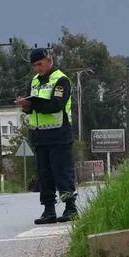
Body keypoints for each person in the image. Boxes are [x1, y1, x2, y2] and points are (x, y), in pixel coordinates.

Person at [15, 47, 78, 224]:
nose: (37, 68)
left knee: (62, 173)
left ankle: (70, 208)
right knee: (45, 175)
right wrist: (26, 106)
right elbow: (31, 109)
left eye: (40, 64)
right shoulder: (33, 82)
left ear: (49, 60)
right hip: (39, 136)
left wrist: (33, 105)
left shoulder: (61, 80)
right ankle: (48, 210)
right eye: (34, 65)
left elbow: (56, 105)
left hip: (59, 135)